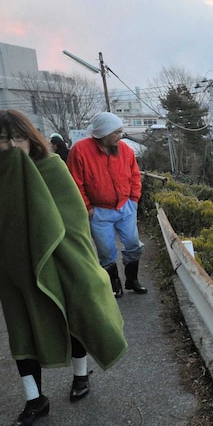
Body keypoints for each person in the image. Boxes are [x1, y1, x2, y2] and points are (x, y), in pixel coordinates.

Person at [0, 109, 128, 426]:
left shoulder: (52, 167)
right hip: (14, 265)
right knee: (22, 328)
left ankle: (81, 374)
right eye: (4, 140)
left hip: (60, 258)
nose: (13, 146)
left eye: (18, 138)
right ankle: (35, 400)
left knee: (72, 311)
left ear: (30, 138)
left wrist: (75, 260)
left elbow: (73, 222)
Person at [67, 112, 147, 297]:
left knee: (133, 244)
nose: (120, 136)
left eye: (120, 132)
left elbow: (135, 174)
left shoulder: (125, 150)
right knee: (106, 250)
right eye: (116, 132)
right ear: (103, 133)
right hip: (99, 211)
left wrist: (134, 199)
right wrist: (87, 207)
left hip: (125, 206)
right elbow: (75, 182)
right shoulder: (80, 151)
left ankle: (132, 280)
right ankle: (114, 284)